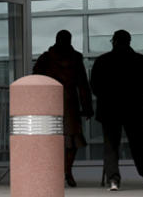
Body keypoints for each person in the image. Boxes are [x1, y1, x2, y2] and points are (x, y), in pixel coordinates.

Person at [90, 30, 143, 191]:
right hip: (134, 110)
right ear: (129, 42)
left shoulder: (102, 61)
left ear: (114, 41)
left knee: (111, 146)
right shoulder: (141, 61)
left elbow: (95, 87)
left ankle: (113, 179)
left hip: (109, 110)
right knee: (138, 145)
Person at [33, 30, 93, 188]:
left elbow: (36, 79)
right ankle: (67, 171)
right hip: (70, 101)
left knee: (51, 139)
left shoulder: (46, 58)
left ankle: (54, 172)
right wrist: (87, 107)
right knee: (72, 139)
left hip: (50, 101)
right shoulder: (76, 58)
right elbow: (83, 84)